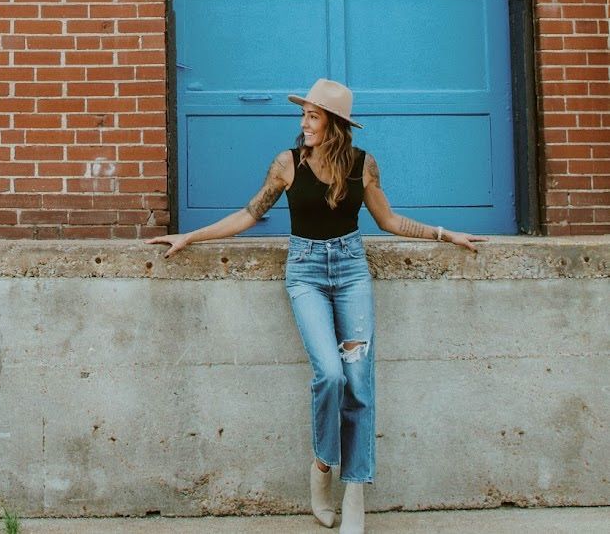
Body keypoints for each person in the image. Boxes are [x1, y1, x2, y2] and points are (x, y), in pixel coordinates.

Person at [147, 79, 485, 534]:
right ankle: (323, 467)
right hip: (305, 271)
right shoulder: (287, 164)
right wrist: (191, 236)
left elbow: (387, 220)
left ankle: (355, 495)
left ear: (335, 124)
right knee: (329, 373)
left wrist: (445, 234)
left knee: (359, 382)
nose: (303, 123)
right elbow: (250, 214)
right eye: (303, 114)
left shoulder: (363, 166)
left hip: (351, 273)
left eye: (313, 116)